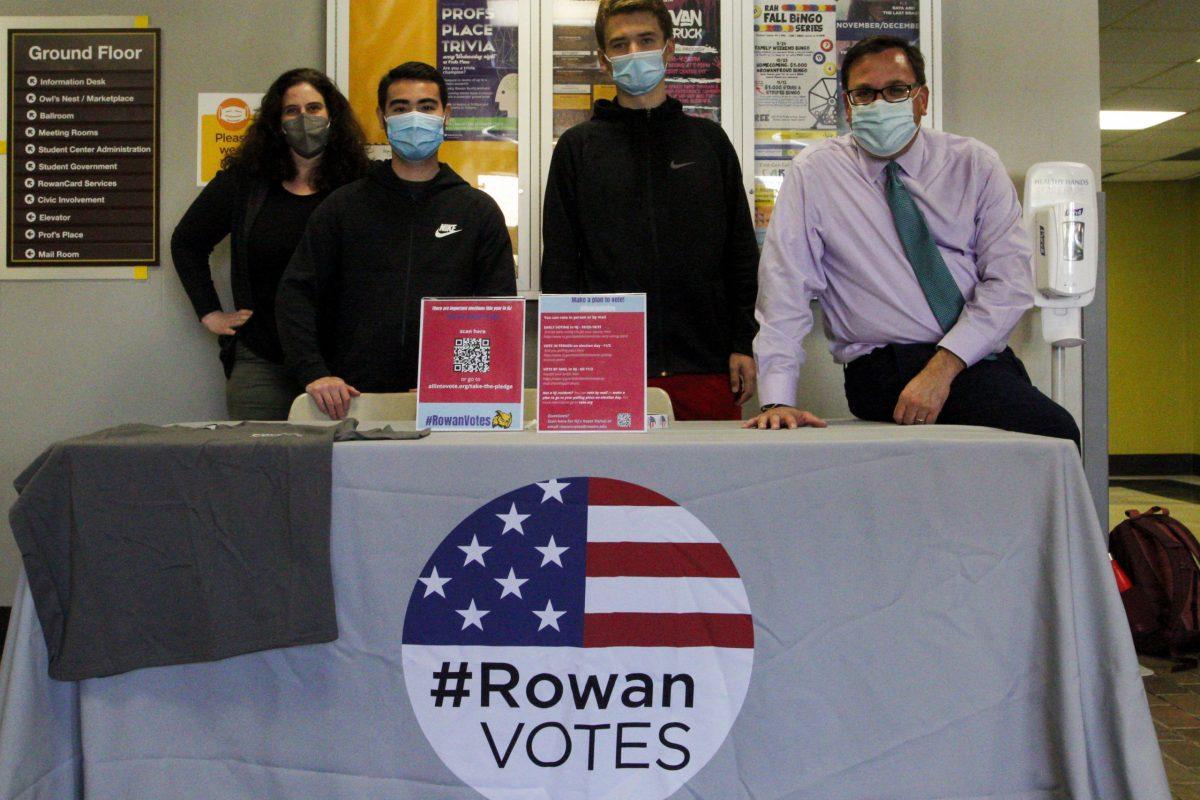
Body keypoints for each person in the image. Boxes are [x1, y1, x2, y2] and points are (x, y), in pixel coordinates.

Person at [748, 36, 1079, 445]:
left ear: (921, 99)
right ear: (849, 107)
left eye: (897, 90)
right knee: (1054, 432)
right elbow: (785, 287)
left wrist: (942, 369)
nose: (881, 103)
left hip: (975, 355)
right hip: (883, 366)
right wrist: (776, 400)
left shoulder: (974, 164)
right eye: (865, 93)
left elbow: (1009, 283)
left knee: (1031, 439)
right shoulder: (815, 174)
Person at [540, 0, 760, 421]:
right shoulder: (577, 148)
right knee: (612, 486)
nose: (634, 53)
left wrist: (742, 341)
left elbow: (740, 252)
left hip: (706, 364)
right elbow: (562, 266)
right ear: (604, 62)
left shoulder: (709, 142)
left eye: (646, 40)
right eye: (620, 45)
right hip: (608, 368)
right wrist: (568, 360)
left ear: (669, 49)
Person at [276, 62, 516, 420]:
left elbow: (495, 311)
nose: (414, 117)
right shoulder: (343, 206)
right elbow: (296, 293)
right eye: (400, 108)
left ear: (446, 115)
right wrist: (314, 372)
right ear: (382, 116)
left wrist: (456, 379)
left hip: (449, 404)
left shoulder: (477, 212)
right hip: (355, 401)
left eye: (427, 106)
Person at [171, 68, 369, 420]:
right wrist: (210, 312)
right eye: (292, 111)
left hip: (342, 363)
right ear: (276, 123)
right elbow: (187, 242)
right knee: (258, 462)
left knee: (342, 466)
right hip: (263, 360)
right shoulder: (246, 184)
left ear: (332, 116)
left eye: (314, 108)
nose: (303, 118)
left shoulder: (361, 185)